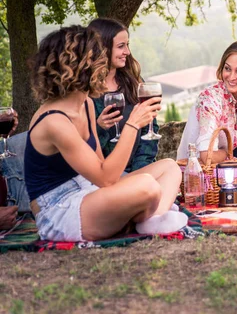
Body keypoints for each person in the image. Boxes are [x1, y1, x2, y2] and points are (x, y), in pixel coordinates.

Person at [24, 25, 186, 242]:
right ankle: (150, 217)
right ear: (83, 66)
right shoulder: (55, 121)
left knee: (169, 167)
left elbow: (102, 167)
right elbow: (106, 180)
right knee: (147, 185)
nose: (106, 68)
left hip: (89, 190)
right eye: (101, 60)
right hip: (60, 210)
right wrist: (133, 125)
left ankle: (151, 218)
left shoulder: (86, 105)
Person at [177, 41, 237, 170]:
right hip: (200, 170)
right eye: (227, 69)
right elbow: (207, 155)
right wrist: (228, 153)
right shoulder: (211, 99)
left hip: (224, 162)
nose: (231, 77)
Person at [88, 18, 159, 172]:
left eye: (127, 45)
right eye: (121, 46)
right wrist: (99, 128)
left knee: (171, 169)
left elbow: (150, 131)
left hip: (139, 171)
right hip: (105, 175)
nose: (127, 52)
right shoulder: (84, 93)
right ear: (102, 48)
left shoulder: (134, 82)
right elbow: (83, 150)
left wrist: (139, 171)